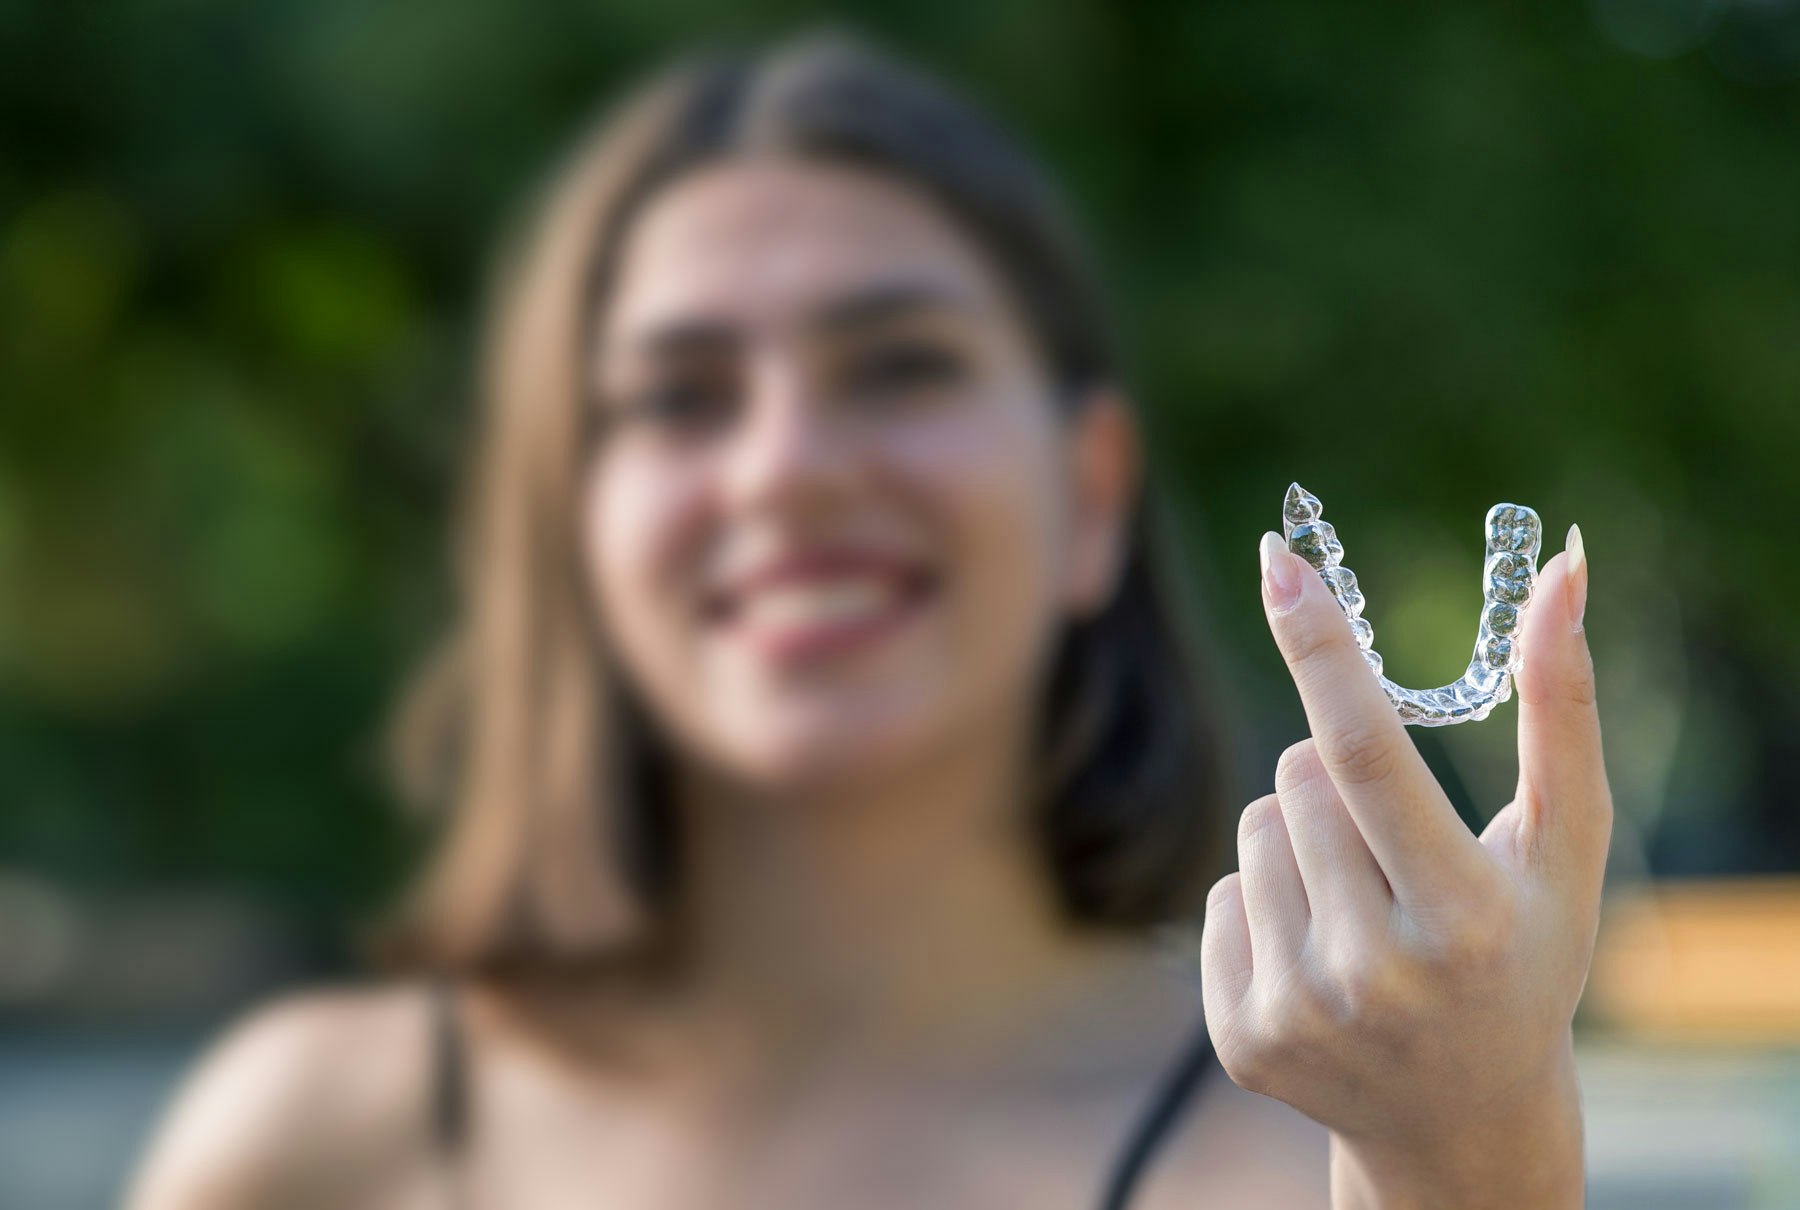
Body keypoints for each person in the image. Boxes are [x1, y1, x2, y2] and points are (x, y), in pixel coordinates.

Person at [125, 27, 1611, 1210]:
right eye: (680, 395)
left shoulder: (1308, 1155)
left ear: (1090, 494)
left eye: (899, 366)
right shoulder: (312, 1143)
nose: (787, 468)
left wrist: (1471, 1161)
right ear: (572, 526)